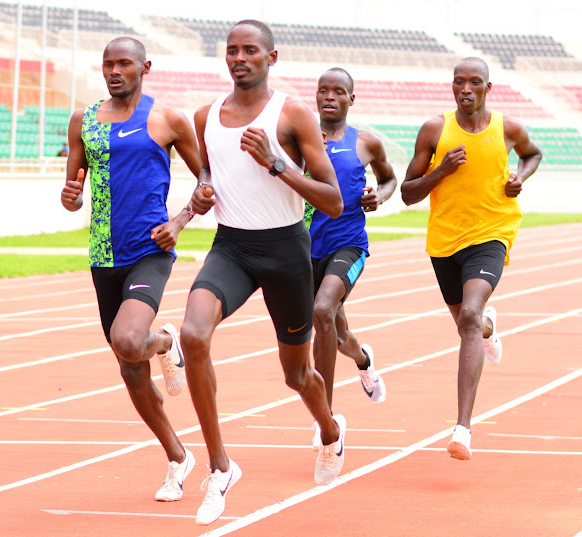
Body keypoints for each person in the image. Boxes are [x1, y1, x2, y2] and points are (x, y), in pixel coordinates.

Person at [180, 20, 345, 526]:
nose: (239, 58)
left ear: (272, 58)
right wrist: (203, 192)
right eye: (231, 50)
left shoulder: (292, 112)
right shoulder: (205, 115)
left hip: (285, 251)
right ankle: (220, 467)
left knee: (297, 375)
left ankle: (331, 432)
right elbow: (208, 170)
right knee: (191, 335)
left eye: (250, 50)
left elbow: (334, 202)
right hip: (231, 246)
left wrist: (276, 164)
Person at [60, 37, 203, 502]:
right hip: (104, 252)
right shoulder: (85, 120)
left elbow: (207, 181)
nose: (114, 70)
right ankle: (178, 457)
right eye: (108, 64)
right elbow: (73, 184)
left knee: (127, 340)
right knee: (130, 370)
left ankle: (164, 340)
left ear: (145, 66)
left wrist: (179, 222)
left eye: (124, 63)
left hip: (150, 249)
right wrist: (71, 196)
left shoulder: (167, 119)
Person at [401, 57, 542, 461]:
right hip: (445, 241)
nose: (465, 89)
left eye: (474, 82)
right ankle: (487, 327)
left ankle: (462, 427)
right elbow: (408, 193)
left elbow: (532, 155)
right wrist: (440, 170)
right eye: (458, 82)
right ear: (452, 87)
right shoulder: (434, 130)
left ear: (487, 88)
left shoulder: (507, 128)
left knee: (468, 316)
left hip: (491, 234)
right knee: (469, 321)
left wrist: (520, 177)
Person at [307, 67, 397, 447]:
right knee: (337, 333)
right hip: (304, 249)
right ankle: (363, 361)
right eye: (323, 90)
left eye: (338, 91)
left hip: (349, 245)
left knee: (322, 310)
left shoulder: (367, 143)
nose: (329, 97)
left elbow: (390, 178)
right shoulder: (299, 139)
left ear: (351, 99)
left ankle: (325, 418)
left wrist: (380, 194)